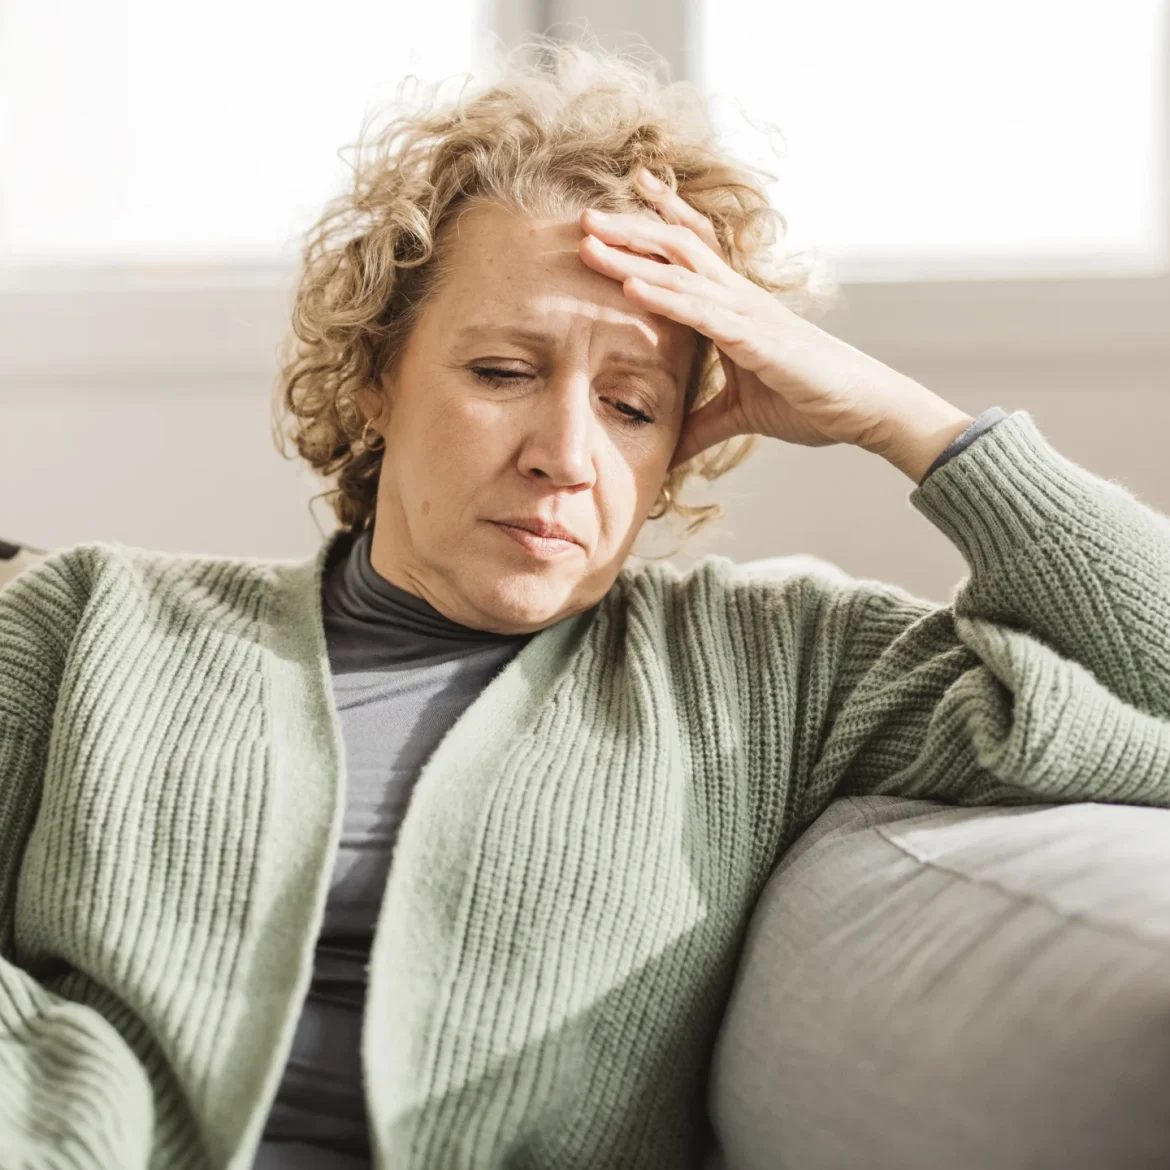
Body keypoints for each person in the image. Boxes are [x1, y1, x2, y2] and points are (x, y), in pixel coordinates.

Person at [1, 38, 1169, 1170]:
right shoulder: (91, 621)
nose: (565, 454)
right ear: (374, 379)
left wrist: (902, 419)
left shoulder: (768, 672)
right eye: (502, 372)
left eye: (632, 405)